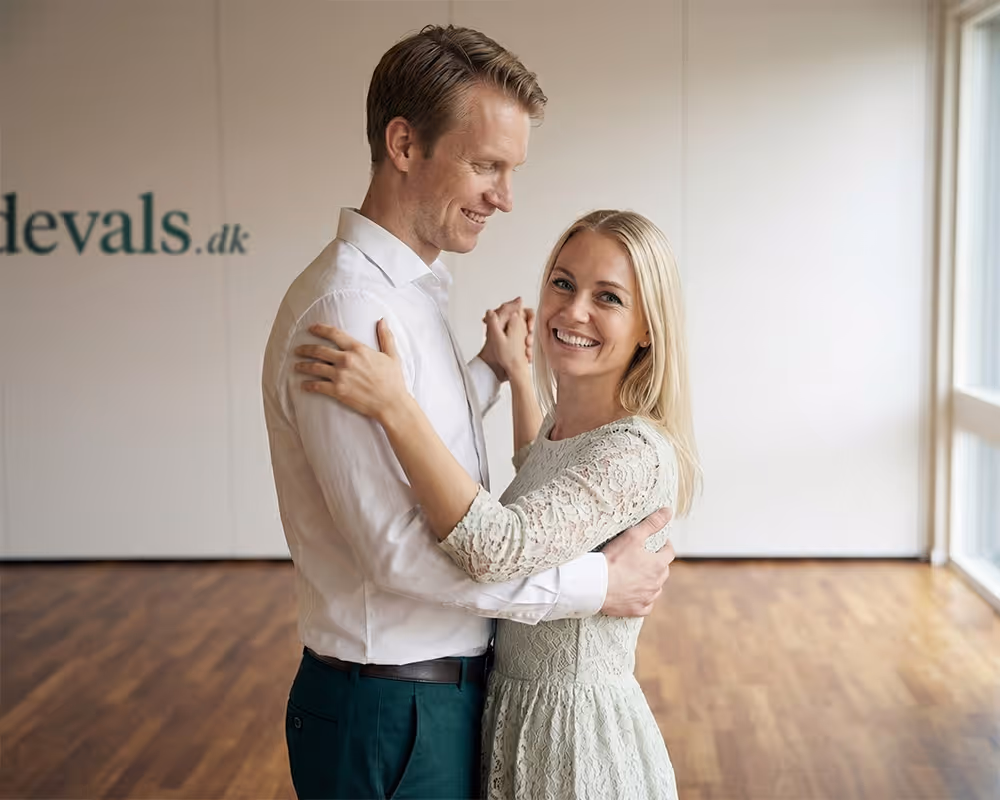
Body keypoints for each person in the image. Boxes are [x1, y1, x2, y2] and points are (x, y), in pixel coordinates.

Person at [261, 25, 676, 800]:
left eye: (511, 171)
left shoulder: (412, 291)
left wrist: (488, 376)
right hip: (390, 708)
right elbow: (400, 557)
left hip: (438, 698)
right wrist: (594, 586)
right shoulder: (350, 310)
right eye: (486, 165)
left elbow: (425, 437)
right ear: (404, 145)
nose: (505, 198)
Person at [296, 209, 700, 799]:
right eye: (563, 283)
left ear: (647, 328)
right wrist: (509, 372)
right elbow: (539, 475)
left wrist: (395, 405)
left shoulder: (632, 453)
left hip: (573, 741)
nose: (574, 310)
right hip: (520, 715)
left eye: (607, 297)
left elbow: (501, 545)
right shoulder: (569, 425)